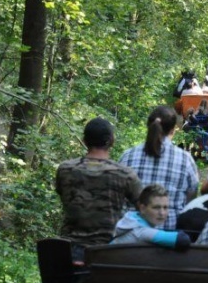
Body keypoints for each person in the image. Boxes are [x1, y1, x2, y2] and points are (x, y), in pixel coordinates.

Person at [55, 118, 141, 259]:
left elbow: (62, 195)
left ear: (84, 140)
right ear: (111, 141)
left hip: (68, 250)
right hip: (109, 251)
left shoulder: (66, 169)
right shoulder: (124, 174)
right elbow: (143, 208)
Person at [120, 105, 199, 230]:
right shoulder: (185, 159)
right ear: (173, 130)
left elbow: (120, 195)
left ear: (148, 127)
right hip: (170, 234)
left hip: (132, 236)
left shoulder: (127, 156)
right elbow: (192, 195)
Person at [111, 184, 191, 249]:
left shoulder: (132, 219)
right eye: (156, 207)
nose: (162, 213)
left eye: (165, 207)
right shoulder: (141, 232)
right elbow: (182, 240)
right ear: (142, 208)